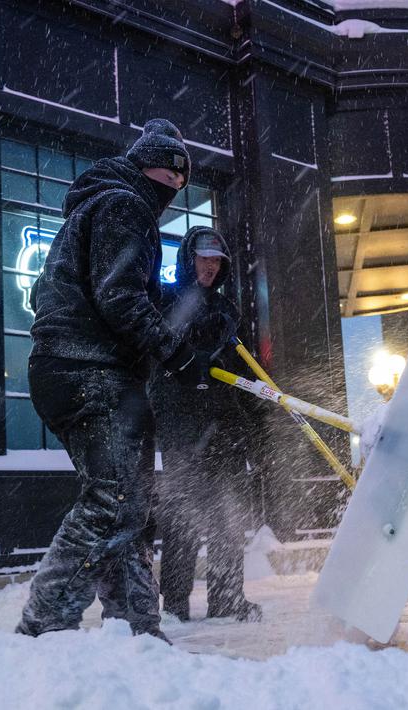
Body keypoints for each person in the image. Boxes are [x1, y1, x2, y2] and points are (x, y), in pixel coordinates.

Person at [15, 119, 211, 641]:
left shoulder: (94, 208)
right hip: (90, 371)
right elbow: (120, 296)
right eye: (169, 178)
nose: (172, 190)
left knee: (124, 505)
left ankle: (137, 630)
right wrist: (173, 352)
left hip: (71, 370)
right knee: (115, 499)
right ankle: (46, 622)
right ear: (148, 167)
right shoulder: (124, 207)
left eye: (180, 184)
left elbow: (64, 295)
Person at [150, 225, 262, 624]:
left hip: (226, 427)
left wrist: (255, 427)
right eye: (204, 259)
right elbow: (158, 363)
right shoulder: (165, 302)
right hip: (184, 428)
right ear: (187, 259)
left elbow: (247, 370)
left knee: (228, 517)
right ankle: (175, 606)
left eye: (217, 261)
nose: (210, 267)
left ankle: (228, 600)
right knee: (182, 519)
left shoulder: (228, 311)